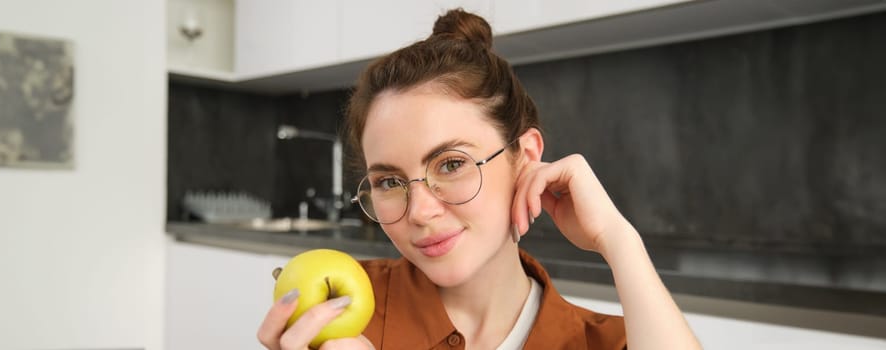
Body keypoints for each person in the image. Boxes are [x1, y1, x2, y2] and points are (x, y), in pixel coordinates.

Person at [258, 8, 701, 350]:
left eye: (451, 164)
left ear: (525, 156)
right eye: (390, 182)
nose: (421, 213)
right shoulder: (341, 320)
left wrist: (618, 240)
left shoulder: (609, 341)